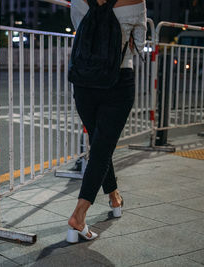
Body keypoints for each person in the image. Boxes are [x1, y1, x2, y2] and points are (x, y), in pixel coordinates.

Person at [67, 0, 147, 242]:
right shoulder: (136, 1)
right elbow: (139, 46)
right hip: (118, 80)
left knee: (101, 143)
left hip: (83, 81)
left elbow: (79, 27)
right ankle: (78, 216)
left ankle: (114, 197)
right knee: (103, 148)